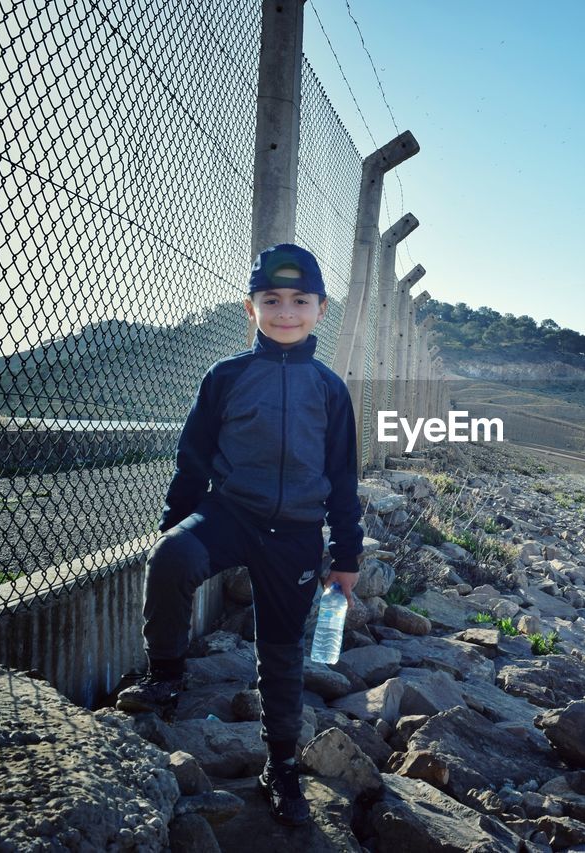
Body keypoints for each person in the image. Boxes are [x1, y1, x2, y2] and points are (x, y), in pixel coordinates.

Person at [116, 243, 364, 826]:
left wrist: (347, 552)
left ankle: (280, 764)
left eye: (299, 300)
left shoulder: (330, 389)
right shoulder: (225, 377)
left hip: (297, 534)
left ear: (320, 309)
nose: (285, 311)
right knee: (172, 556)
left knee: (281, 652)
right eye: (270, 300)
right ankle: (167, 676)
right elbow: (193, 457)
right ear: (249, 309)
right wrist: (177, 521)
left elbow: (343, 478)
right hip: (231, 512)